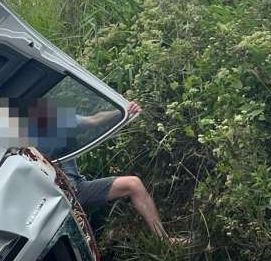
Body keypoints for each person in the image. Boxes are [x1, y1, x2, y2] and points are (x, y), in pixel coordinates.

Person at [31, 99, 169, 240]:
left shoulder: (56, 119)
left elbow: (94, 120)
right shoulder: (19, 139)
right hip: (52, 201)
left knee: (133, 184)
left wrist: (125, 109)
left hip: (78, 189)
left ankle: (163, 240)